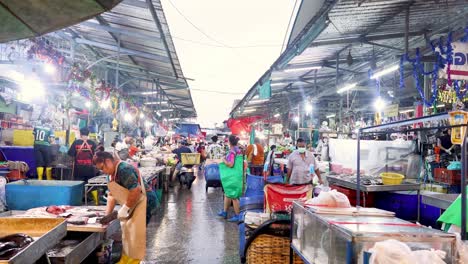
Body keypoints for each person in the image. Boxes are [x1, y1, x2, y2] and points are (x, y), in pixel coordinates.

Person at [93, 151, 157, 263]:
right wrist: (107, 215)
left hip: (144, 202)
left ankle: (133, 261)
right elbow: (112, 195)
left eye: (103, 168)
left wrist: (125, 208)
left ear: (108, 161)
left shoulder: (124, 169)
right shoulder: (111, 174)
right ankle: (125, 259)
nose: (103, 171)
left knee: (136, 234)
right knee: (127, 232)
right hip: (133, 204)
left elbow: (135, 190)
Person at [218, 135, 243, 222]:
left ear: (229, 142)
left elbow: (231, 164)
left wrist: (224, 160)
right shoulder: (238, 149)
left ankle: (238, 216)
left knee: (234, 197)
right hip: (236, 175)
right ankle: (225, 212)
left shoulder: (232, 151)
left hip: (233, 176)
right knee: (227, 194)